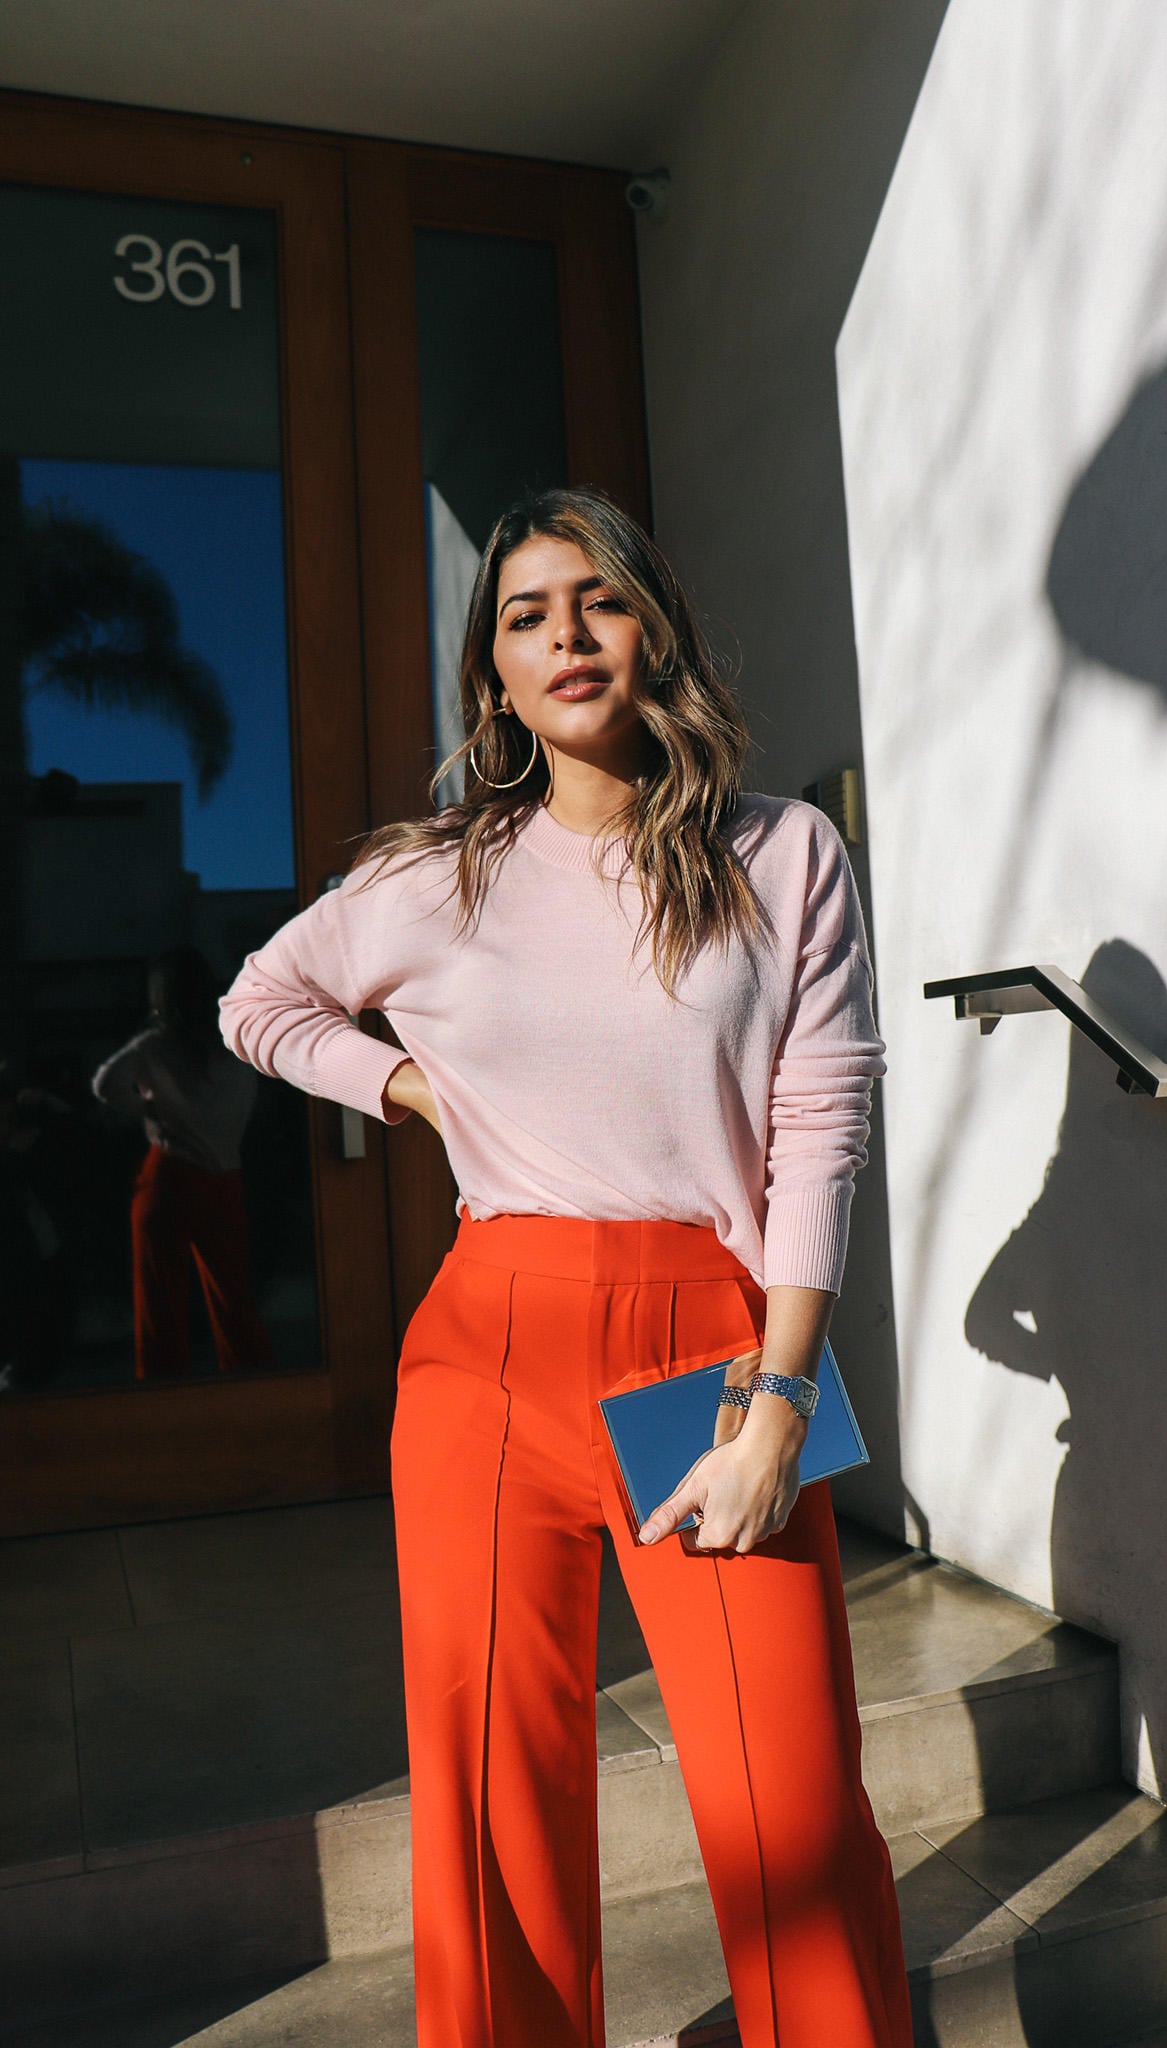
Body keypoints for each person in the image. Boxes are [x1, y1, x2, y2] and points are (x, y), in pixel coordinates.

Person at [219, 487, 912, 2048]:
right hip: (484, 1342)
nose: (565, 636)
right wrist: (404, 1086)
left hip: (705, 1344)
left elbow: (822, 1124)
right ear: (498, 682)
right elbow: (259, 1003)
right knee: (487, 1801)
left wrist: (782, 1399)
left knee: (787, 1800)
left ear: (649, 625)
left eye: (593, 601)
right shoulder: (439, 876)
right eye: (526, 616)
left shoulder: (779, 852)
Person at [93, 946, 273, 1380]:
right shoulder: (232, 1046)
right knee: (233, 1302)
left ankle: (161, 1407)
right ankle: (252, 1396)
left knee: (159, 1308)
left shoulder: (156, 1045)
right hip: (222, 1178)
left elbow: (105, 1085)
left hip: (169, 1178)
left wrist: (151, 1111)